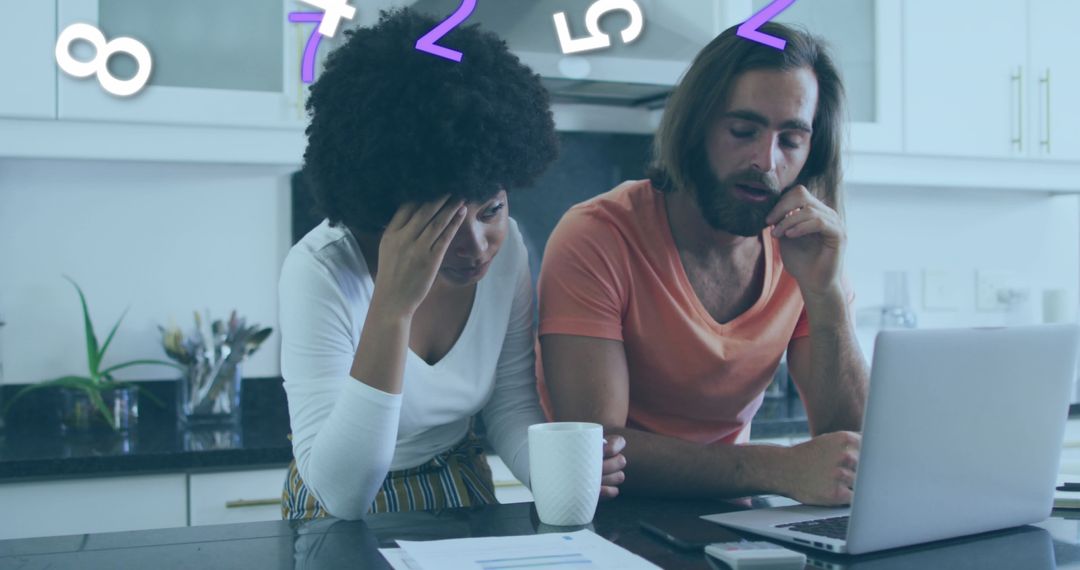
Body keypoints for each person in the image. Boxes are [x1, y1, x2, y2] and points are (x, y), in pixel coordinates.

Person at [278, 8, 626, 521]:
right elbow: (343, 492)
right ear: (386, 207)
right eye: (442, 223)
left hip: (460, 488)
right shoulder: (321, 272)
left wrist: (564, 475)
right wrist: (393, 307)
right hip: (334, 515)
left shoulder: (509, 253)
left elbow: (509, 405)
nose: (476, 244)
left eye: (491, 210)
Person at [537, 23, 869, 507]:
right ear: (697, 126)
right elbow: (597, 449)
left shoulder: (805, 250)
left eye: (791, 140)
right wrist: (779, 467)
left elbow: (851, 454)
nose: (765, 159)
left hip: (735, 524)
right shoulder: (597, 235)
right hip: (610, 527)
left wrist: (827, 296)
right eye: (743, 130)